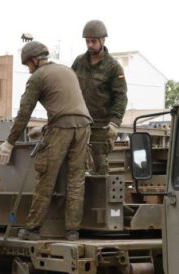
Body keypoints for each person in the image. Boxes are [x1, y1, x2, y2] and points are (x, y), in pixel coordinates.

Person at [0, 41, 92, 241]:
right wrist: (45, 129)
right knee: (76, 180)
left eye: (27, 66)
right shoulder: (66, 71)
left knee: (46, 177)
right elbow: (68, 106)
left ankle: (33, 229)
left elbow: (24, 113)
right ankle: (73, 231)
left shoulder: (38, 77)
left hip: (62, 128)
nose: (28, 70)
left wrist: (9, 142)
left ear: (33, 61)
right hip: (84, 126)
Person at [71, 20, 128, 175]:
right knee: (76, 168)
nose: (89, 45)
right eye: (87, 41)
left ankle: (101, 199)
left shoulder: (113, 67)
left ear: (103, 40)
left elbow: (120, 96)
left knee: (100, 168)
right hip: (79, 122)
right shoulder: (79, 62)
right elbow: (70, 88)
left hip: (101, 126)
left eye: (93, 41)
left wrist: (115, 123)